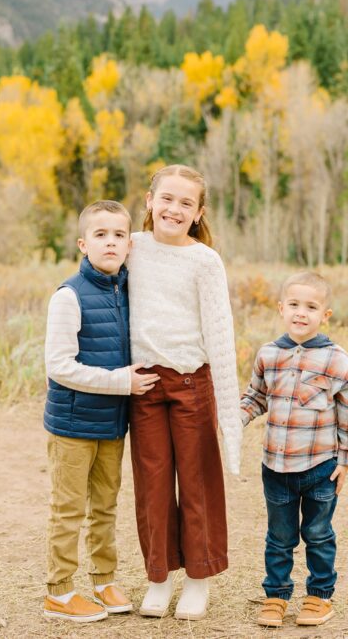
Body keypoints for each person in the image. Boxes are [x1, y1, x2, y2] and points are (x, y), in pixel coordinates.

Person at [127, 164, 242, 620]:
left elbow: (220, 334)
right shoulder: (131, 248)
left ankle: (198, 578)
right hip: (143, 384)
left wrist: (229, 417)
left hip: (192, 381)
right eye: (167, 199)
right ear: (150, 201)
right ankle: (159, 577)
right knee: (151, 482)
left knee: (196, 481)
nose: (174, 209)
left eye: (186, 203)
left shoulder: (204, 261)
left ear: (198, 213)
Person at [42, 200, 161, 622]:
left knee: (106, 505)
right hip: (73, 422)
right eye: (100, 234)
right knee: (69, 507)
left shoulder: (130, 291)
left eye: (118, 235)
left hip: (113, 423)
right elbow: (58, 366)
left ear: (130, 244)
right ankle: (58, 591)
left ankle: (104, 580)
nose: (110, 242)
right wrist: (120, 382)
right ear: (82, 243)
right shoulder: (69, 295)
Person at [240, 271, 348, 628]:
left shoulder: (336, 359)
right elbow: (256, 397)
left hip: (320, 468)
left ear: (325, 314)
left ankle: (319, 595)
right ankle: (276, 595)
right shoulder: (268, 355)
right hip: (275, 468)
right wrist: (236, 418)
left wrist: (347, 461)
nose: (301, 313)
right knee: (279, 538)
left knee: (318, 534)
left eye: (311, 307)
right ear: (281, 308)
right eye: (294, 304)